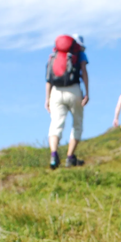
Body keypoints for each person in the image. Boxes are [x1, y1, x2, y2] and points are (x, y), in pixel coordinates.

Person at [46, 33, 89, 169]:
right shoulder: (79, 54)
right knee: (77, 124)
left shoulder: (55, 55)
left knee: (56, 124)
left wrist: (47, 98)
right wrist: (87, 93)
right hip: (74, 90)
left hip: (56, 91)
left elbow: (48, 78)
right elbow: (84, 71)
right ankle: (70, 157)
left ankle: (54, 155)